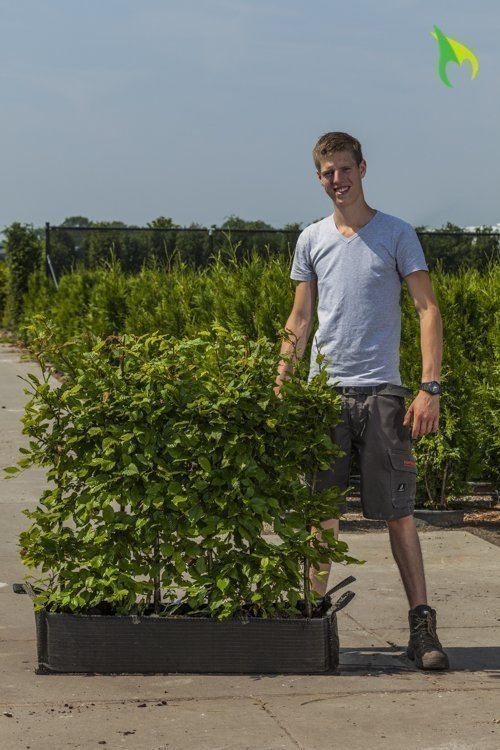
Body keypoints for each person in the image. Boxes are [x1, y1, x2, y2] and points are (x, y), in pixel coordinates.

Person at [274, 131, 449, 671]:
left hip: (384, 396)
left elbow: (427, 310)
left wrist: (429, 387)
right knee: (321, 515)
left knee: (398, 514)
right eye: (328, 172)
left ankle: (421, 626)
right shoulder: (311, 239)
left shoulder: (396, 234)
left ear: (363, 169)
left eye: (345, 169)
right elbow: (300, 319)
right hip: (325, 397)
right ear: (318, 177)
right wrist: (282, 378)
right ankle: (311, 623)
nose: (337, 180)